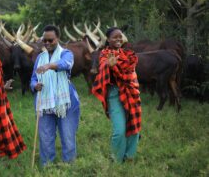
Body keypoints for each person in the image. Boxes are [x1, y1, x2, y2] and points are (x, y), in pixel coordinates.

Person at [30, 25, 80, 166]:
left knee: (68, 135)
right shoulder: (40, 57)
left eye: (50, 40)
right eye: (44, 40)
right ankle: (47, 166)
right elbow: (33, 78)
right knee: (45, 137)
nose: (47, 43)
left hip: (65, 102)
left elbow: (66, 64)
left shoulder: (66, 53)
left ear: (57, 38)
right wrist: (35, 85)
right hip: (44, 102)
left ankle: (69, 166)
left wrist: (49, 66)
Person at [92, 27, 141, 162]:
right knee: (119, 130)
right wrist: (109, 64)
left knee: (134, 126)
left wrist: (117, 65)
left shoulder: (129, 54)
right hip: (114, 94)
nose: (118, 39)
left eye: (120, 36)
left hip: (131, 92)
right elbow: (102, 66)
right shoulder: (105, 54)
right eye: (114, 37)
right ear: (108, 40)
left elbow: (130, 71)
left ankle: (129, 157)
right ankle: (117, 159)